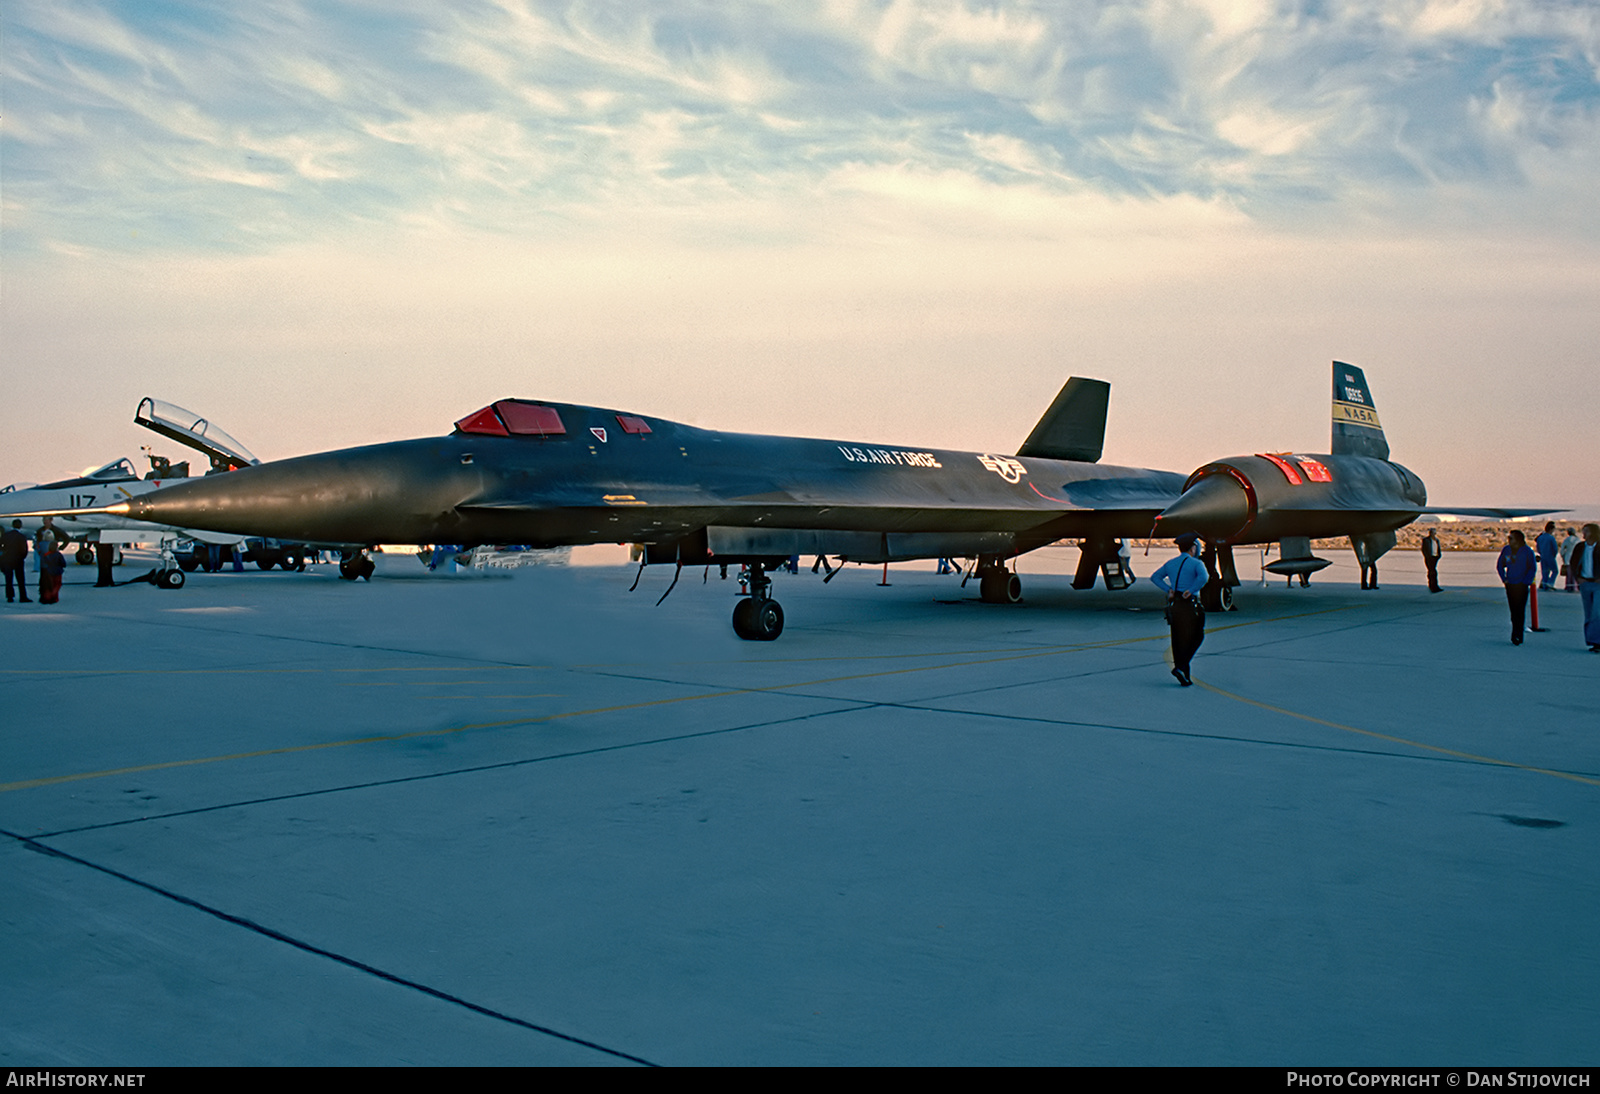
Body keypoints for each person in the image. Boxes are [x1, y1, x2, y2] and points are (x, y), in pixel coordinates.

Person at [1152, 532, 1209, 686]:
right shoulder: (1196, 564)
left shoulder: (1170, 563)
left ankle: (1185, 675)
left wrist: (1168, 589)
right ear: (1192, 548)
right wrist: (1191, 589)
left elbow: (1155, 577)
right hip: (1190, 604)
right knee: (1197, 636)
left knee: (1178, 640)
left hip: (1175, 604)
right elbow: (1204, 578)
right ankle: (1181, 667)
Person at [1496, 529, 1537, 645]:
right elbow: (1500, 565)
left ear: (1518, 540)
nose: (1509, 540)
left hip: (1522, 585)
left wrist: (1526, 582)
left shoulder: (1527, 551)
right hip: (1511, 585)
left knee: (1520, 610)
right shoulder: (1506, 550)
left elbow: (1532, 568)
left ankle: (1518, 635)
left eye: (1511, 538)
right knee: (1513, 611)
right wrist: (1504, 579)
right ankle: (1515, 632)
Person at [1571, 523, 1600, 652]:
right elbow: (1573, 562)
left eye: (1586, 532)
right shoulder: (1580, 547)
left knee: (1597, 613)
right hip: (1585, 583)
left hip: (1598, 584)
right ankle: (1592, 640)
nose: (1584, 535)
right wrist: (1578, 578)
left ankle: (1597, 641)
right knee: (1588, 614)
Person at [2, 519, 30, 603]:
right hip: (18, 560)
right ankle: (23, 596)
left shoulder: (6, 535)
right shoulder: (22, 536)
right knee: (21, 579)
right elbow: (24, 549)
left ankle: (10, 597)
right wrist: (22, 557)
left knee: (9, 579)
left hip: (7, 559)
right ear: (20, 526)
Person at [38, 538, 66, 605]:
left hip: (49, 571)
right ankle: (53, 596)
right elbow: (63, 563)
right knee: (57, 584)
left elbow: (44, 561)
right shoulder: (58, 555)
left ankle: (48, 597)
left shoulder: (47, 555)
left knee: (50, 585)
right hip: (57, 571)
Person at [1535, 521, 1559, 591]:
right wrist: (1553, 555)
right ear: (1551, 529)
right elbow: (1555, 548)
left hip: (1543, 556)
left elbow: (1538, 548)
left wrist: (1541, 553)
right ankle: (1550, 583)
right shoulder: (1551, 538)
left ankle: (1545, 585)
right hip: (1550, 556)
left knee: (1545, 572)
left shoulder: (1540, 538)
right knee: (1555, 571)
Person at [1420, 528, 1442, 593]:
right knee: (1432, 572)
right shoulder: (1426, 540)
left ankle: (1434, 585)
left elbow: (1438, 548)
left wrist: (1439, 555)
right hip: (1429, 557)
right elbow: (1424, 549)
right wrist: (1427, 556)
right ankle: (1432, 586)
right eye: (1432, 532)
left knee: (1433, 572)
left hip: (1435, 557)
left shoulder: (1436, 540)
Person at [1560, 527, 1579, 592]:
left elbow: (1562, 550)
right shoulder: (1577, 540)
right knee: (1575, 574)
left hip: (1568, 557)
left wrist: (1563, 556)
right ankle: (1575, 587)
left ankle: (1568, 586)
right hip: (1576, 558)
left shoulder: (1566, 540)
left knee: (1569, 574)